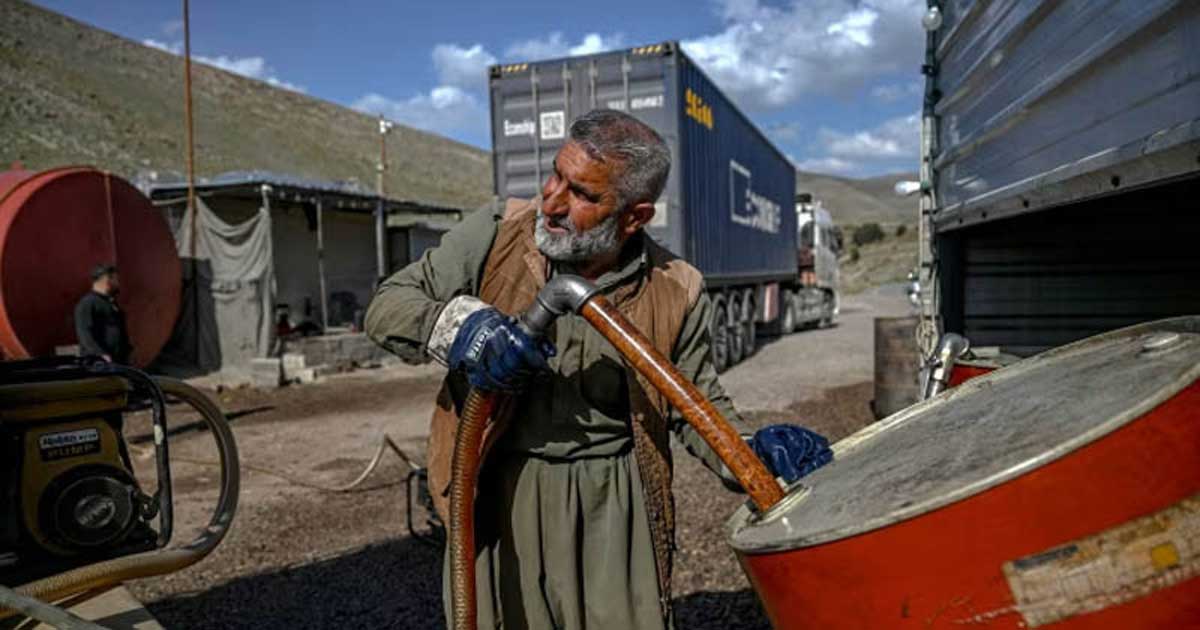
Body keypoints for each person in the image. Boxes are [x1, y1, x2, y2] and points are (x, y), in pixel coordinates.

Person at [365, 109, 831, 630]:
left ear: (634, 216)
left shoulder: (675, 288)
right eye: (555, 175)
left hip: (614, 506)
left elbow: (697, 405)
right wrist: (464, 331)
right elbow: (387, 306)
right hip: (501, 492)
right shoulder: (495, 237)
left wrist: (753, 452)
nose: (552, 201)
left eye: (583, 195)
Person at [74, 263, 132, 364]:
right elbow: (85, 333)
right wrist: (100, 354)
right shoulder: (87, 304)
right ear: (106, 280)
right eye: (115, 279)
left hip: (118, 361)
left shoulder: (111, 303)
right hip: (98, 363)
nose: (118, 283)